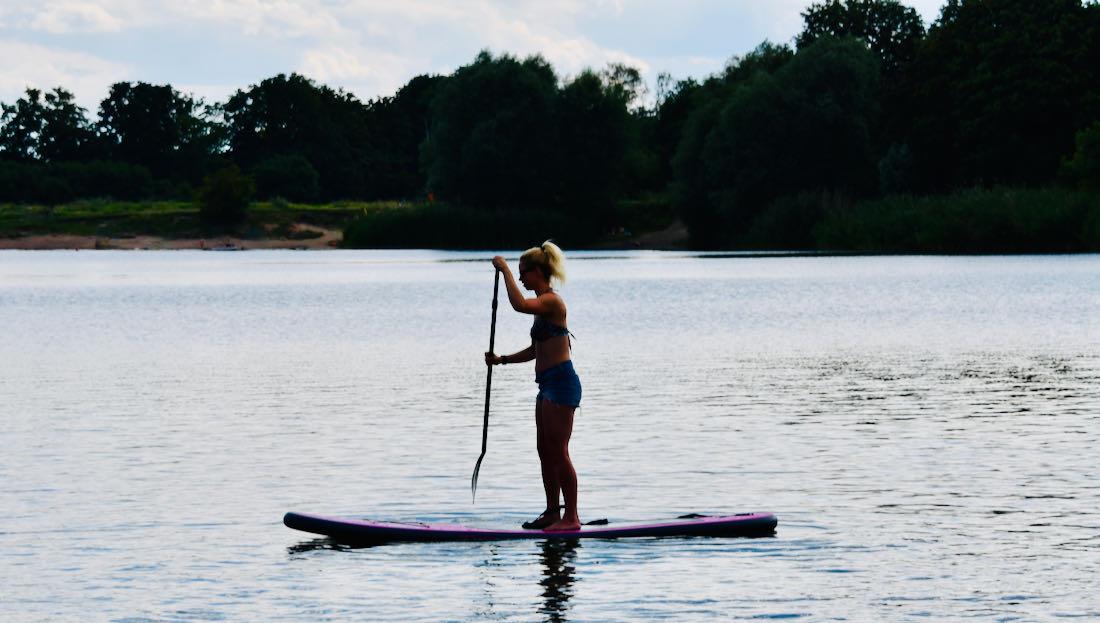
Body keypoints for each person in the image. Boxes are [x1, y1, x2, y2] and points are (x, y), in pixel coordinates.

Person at [485, 241, 582, 531]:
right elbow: (534, 350)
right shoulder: (542, 308)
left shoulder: (551, 302)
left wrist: (504, 272)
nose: (521, 278)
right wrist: (502, 360)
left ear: (537, 271)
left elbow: (519, 305)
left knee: (559, 450)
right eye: (517, 273)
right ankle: (553, 512)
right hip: (546, 385)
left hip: (562, 384)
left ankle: (572, 517)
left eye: (522, 273)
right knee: (544, 450)